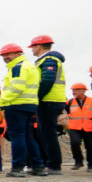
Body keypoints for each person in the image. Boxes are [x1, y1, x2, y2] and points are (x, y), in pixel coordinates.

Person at [0, 42, 45, 177]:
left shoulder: (18, 67)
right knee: (28, 136)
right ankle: (38, 166)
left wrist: (3, 101)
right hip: (29, 104)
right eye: (3, 55)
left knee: (17, 136)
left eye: (8, 54)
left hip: (16, 104)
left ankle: (17, 167)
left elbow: (17, 87)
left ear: (18, 54)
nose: (5, 57)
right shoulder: (29, 66)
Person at [29, 35, 67, 174]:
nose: (32, 50)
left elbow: (47, 82)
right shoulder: (46, 60)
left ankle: (54, 165)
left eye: (33, 46)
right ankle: (49, 163)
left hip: (49, 100)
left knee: (48, 134)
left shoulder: (49, 60)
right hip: (50, 100)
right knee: (44, 133)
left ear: (39, 46)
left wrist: (36, 98)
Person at [66, 83, 92, 170]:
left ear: (83, 90)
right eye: (73, 90)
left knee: (90, 146)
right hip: (75, 127)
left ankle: (91, 164)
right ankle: (78, 161)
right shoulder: (69, 102)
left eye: (76, 90)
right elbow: (62, 111)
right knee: (75, 143)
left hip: (90, 127)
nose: (73, 92)